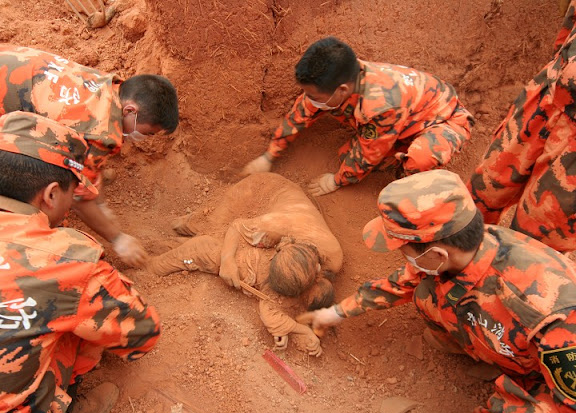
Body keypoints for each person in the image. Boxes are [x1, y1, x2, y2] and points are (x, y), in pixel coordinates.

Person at [0, 111, 161, 413]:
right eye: (73, 193)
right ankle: (61, 410)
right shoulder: (67, 261)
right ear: (52, 194)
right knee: (74, 318)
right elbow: (143, 333)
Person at [299, 169, 576, 413]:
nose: (403, 258)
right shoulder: (466, 246)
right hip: (510, 346)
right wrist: (336, 312)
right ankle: (482, 353)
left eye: (403, 250)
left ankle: (506, 370)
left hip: (546, 382)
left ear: (437, 254)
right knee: (426, 293)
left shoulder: (550, 314)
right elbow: (401, 282)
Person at [0, 43, 179, 267]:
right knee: (34, 206)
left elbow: (88, 167)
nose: (145, 137)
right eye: (148, 132)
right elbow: (79, 198)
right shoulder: (97, 130)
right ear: (130, 110)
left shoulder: (105, 87)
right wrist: (118, 238)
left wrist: (99, 198)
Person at [241, 37, 474, 196]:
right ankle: (398, 149)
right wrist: (269, 155)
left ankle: (414, 186)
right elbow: (299, 116)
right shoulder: (342, 78)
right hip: (406, 118)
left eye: (312, 95)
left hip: (444, 120)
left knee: (417, 160)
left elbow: (368, 154)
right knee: (347, 155)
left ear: (342, 90)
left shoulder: (381, 105)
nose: (308, 99)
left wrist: (335, 181)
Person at [148, 172, 343, 355]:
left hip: (278, 226)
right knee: (206, 226)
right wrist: (227, 261)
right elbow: (237, 226)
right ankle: (177, 229)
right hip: (261, 192)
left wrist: (298, 329)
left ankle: (171, 249)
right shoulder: (274, 227)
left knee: (208, 247)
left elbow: (283, 307)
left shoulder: (331, 259)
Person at [468, 1, 576, 253]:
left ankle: (507, 272)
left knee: (539, 232)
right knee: (487, 185)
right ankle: (458, 257)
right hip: (547, 95)